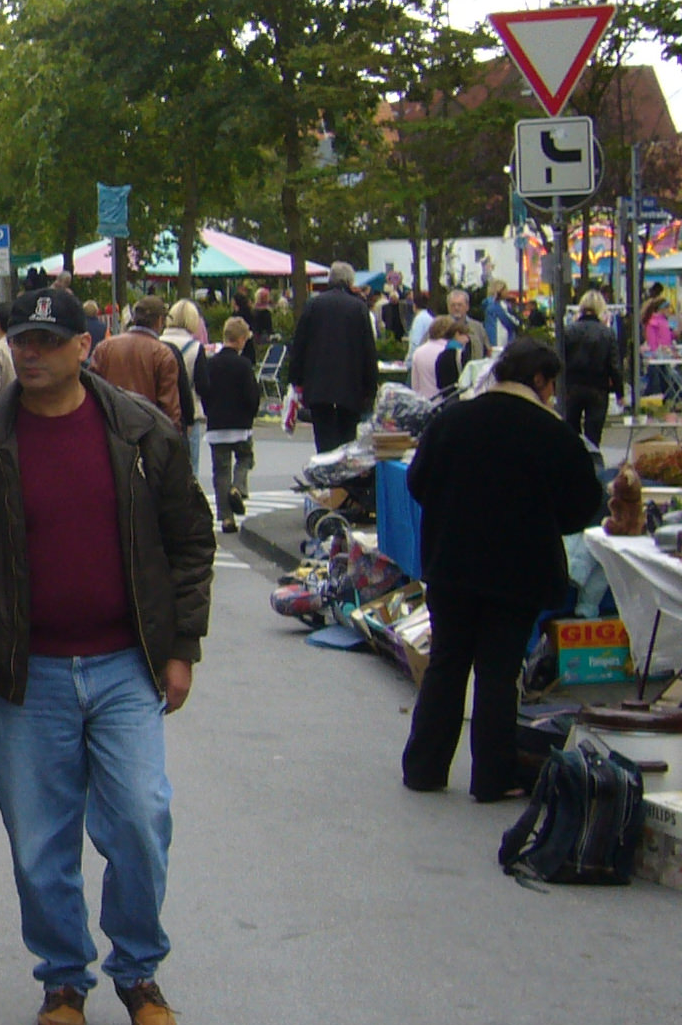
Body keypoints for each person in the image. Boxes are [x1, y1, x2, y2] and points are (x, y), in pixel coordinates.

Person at [0, 285, 213, 1025]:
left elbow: (189, 542)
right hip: (27, 673)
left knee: (140, 818)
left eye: (49, 340)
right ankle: (64, 976)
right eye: (23, 339)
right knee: (40, 842)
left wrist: (182, 647)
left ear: (85, 347)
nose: (33, 352)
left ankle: (138, 970)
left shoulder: (140, 432)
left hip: (125, 667)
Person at [402, 338, 606, 802]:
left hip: (451, 562)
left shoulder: (452, 419)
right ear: (539, 380)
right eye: (550, 385)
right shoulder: (552, 433)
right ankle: (493, 776)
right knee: (498, 671)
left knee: (447, 661)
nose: (551, 395)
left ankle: (424, 767)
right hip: (518, 570)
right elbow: (583, 504)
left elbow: (418, 481)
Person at [285, 262, 379, 453]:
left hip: (319, 384)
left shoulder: (313, 305)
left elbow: (299, 345)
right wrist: (370, 388)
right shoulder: (358, 308)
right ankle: (342, 470)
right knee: (347, 439)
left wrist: (295, 380)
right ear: (350, 281)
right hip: (350, 385)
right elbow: (368, 350)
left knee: (323, 438)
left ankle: (324, 467)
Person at [196, 317, 262, 533]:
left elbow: (203, 390)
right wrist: (251, 415)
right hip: (240, 426)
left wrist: (210, 412)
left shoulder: (211, 364)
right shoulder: (244, 365)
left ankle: (226, 519)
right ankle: (238, 487)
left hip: (217, 426)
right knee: (245, 458)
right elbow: (252, 396)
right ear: (241, 339)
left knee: (220, 471)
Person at [88, 298, 183, 429]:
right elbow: (169, 407)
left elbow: (91, 389)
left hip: (109, 428)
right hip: (147, 432)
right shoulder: (162, 354)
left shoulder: (105, 347)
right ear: (160, 320)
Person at [561, 291, 625, 450]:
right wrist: (620, 393)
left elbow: (560, 360)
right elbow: (614, 366)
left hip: (572, 387)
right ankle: (592, 460)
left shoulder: (569, 331)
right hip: (598, 388)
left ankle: (575, 459)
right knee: (593, 436)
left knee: (571, 432)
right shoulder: (607, 333)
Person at [160, 300, 208, 480]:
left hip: (158, 409)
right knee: (190, 467)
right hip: (187, 413)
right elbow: (203, 385)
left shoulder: (156, 342)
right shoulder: (195, 348)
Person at [408, 317, 469, 401]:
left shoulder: (418, 352)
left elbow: (415, 385)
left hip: (425, 400)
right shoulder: (450, 352)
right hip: (445, 400)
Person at [445, 288, 489, 362]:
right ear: (448, 307)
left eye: (460, 305)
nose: (456, 308)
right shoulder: (440, 326)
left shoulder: (478, 327)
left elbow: (488, 349)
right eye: (453, 305)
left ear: (467, 306)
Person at [484, 280, 521, 352]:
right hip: (500, 343)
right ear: (500, 291)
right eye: (506, 289)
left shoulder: (488, 304)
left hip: (493, 342)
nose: (507, 292)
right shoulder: (498, 306)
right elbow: (511, 322)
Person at [644, 292, 674, 357]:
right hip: (658, 358)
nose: (669, 310)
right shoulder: (652, 323)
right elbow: (652, 343)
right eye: (667, 307)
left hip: (666, 355)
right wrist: (655, 355)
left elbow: (669, 337)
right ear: (661, 308)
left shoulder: (665, 321)